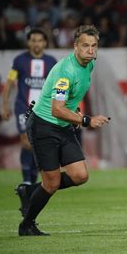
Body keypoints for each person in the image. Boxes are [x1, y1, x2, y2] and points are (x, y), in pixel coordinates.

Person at [17, 25, 110, 236]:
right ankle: (27, 224)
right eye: (85, 46)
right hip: (44, 127)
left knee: (80, 176)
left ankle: (30, 191)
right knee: (51, 184)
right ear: (75, 46)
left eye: (94, 46)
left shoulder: (90, 64)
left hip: (63, 126)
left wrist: (74, 112)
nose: (91, 50)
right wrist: (85, 120)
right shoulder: (65, 71)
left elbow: (67, 102)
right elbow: (56, 109)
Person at [1, 29, 57, 194]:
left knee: (40, 143)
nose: (37, 43)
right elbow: (10, 83)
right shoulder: (19, 60)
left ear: (45, 43)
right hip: (23, 108)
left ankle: (33, 180)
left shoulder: (51, 62)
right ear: (28, 43)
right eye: (33, 40)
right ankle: (27, 180)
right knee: (26, 141)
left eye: (40, 40)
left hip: (44, 111)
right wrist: (5, 105)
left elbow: (58, 85)